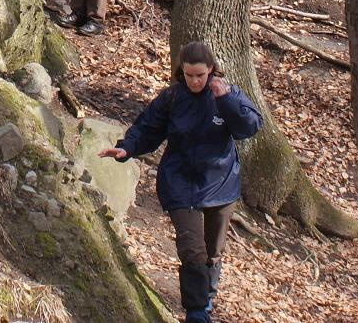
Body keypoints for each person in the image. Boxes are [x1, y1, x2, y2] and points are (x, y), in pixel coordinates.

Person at [99, 42, 263, 323]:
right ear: (181, 72)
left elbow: (250, 127)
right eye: (189, 75)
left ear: (210, 70)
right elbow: (148, 127)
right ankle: (197, 312)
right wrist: (127, 147)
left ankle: (206, 299)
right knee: (192, 250)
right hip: (181, 183)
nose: (195, 81)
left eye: (200, 75)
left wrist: (226, 101)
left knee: (212, 253)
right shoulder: (172, 98)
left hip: (220, 183)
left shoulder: (226, 94)